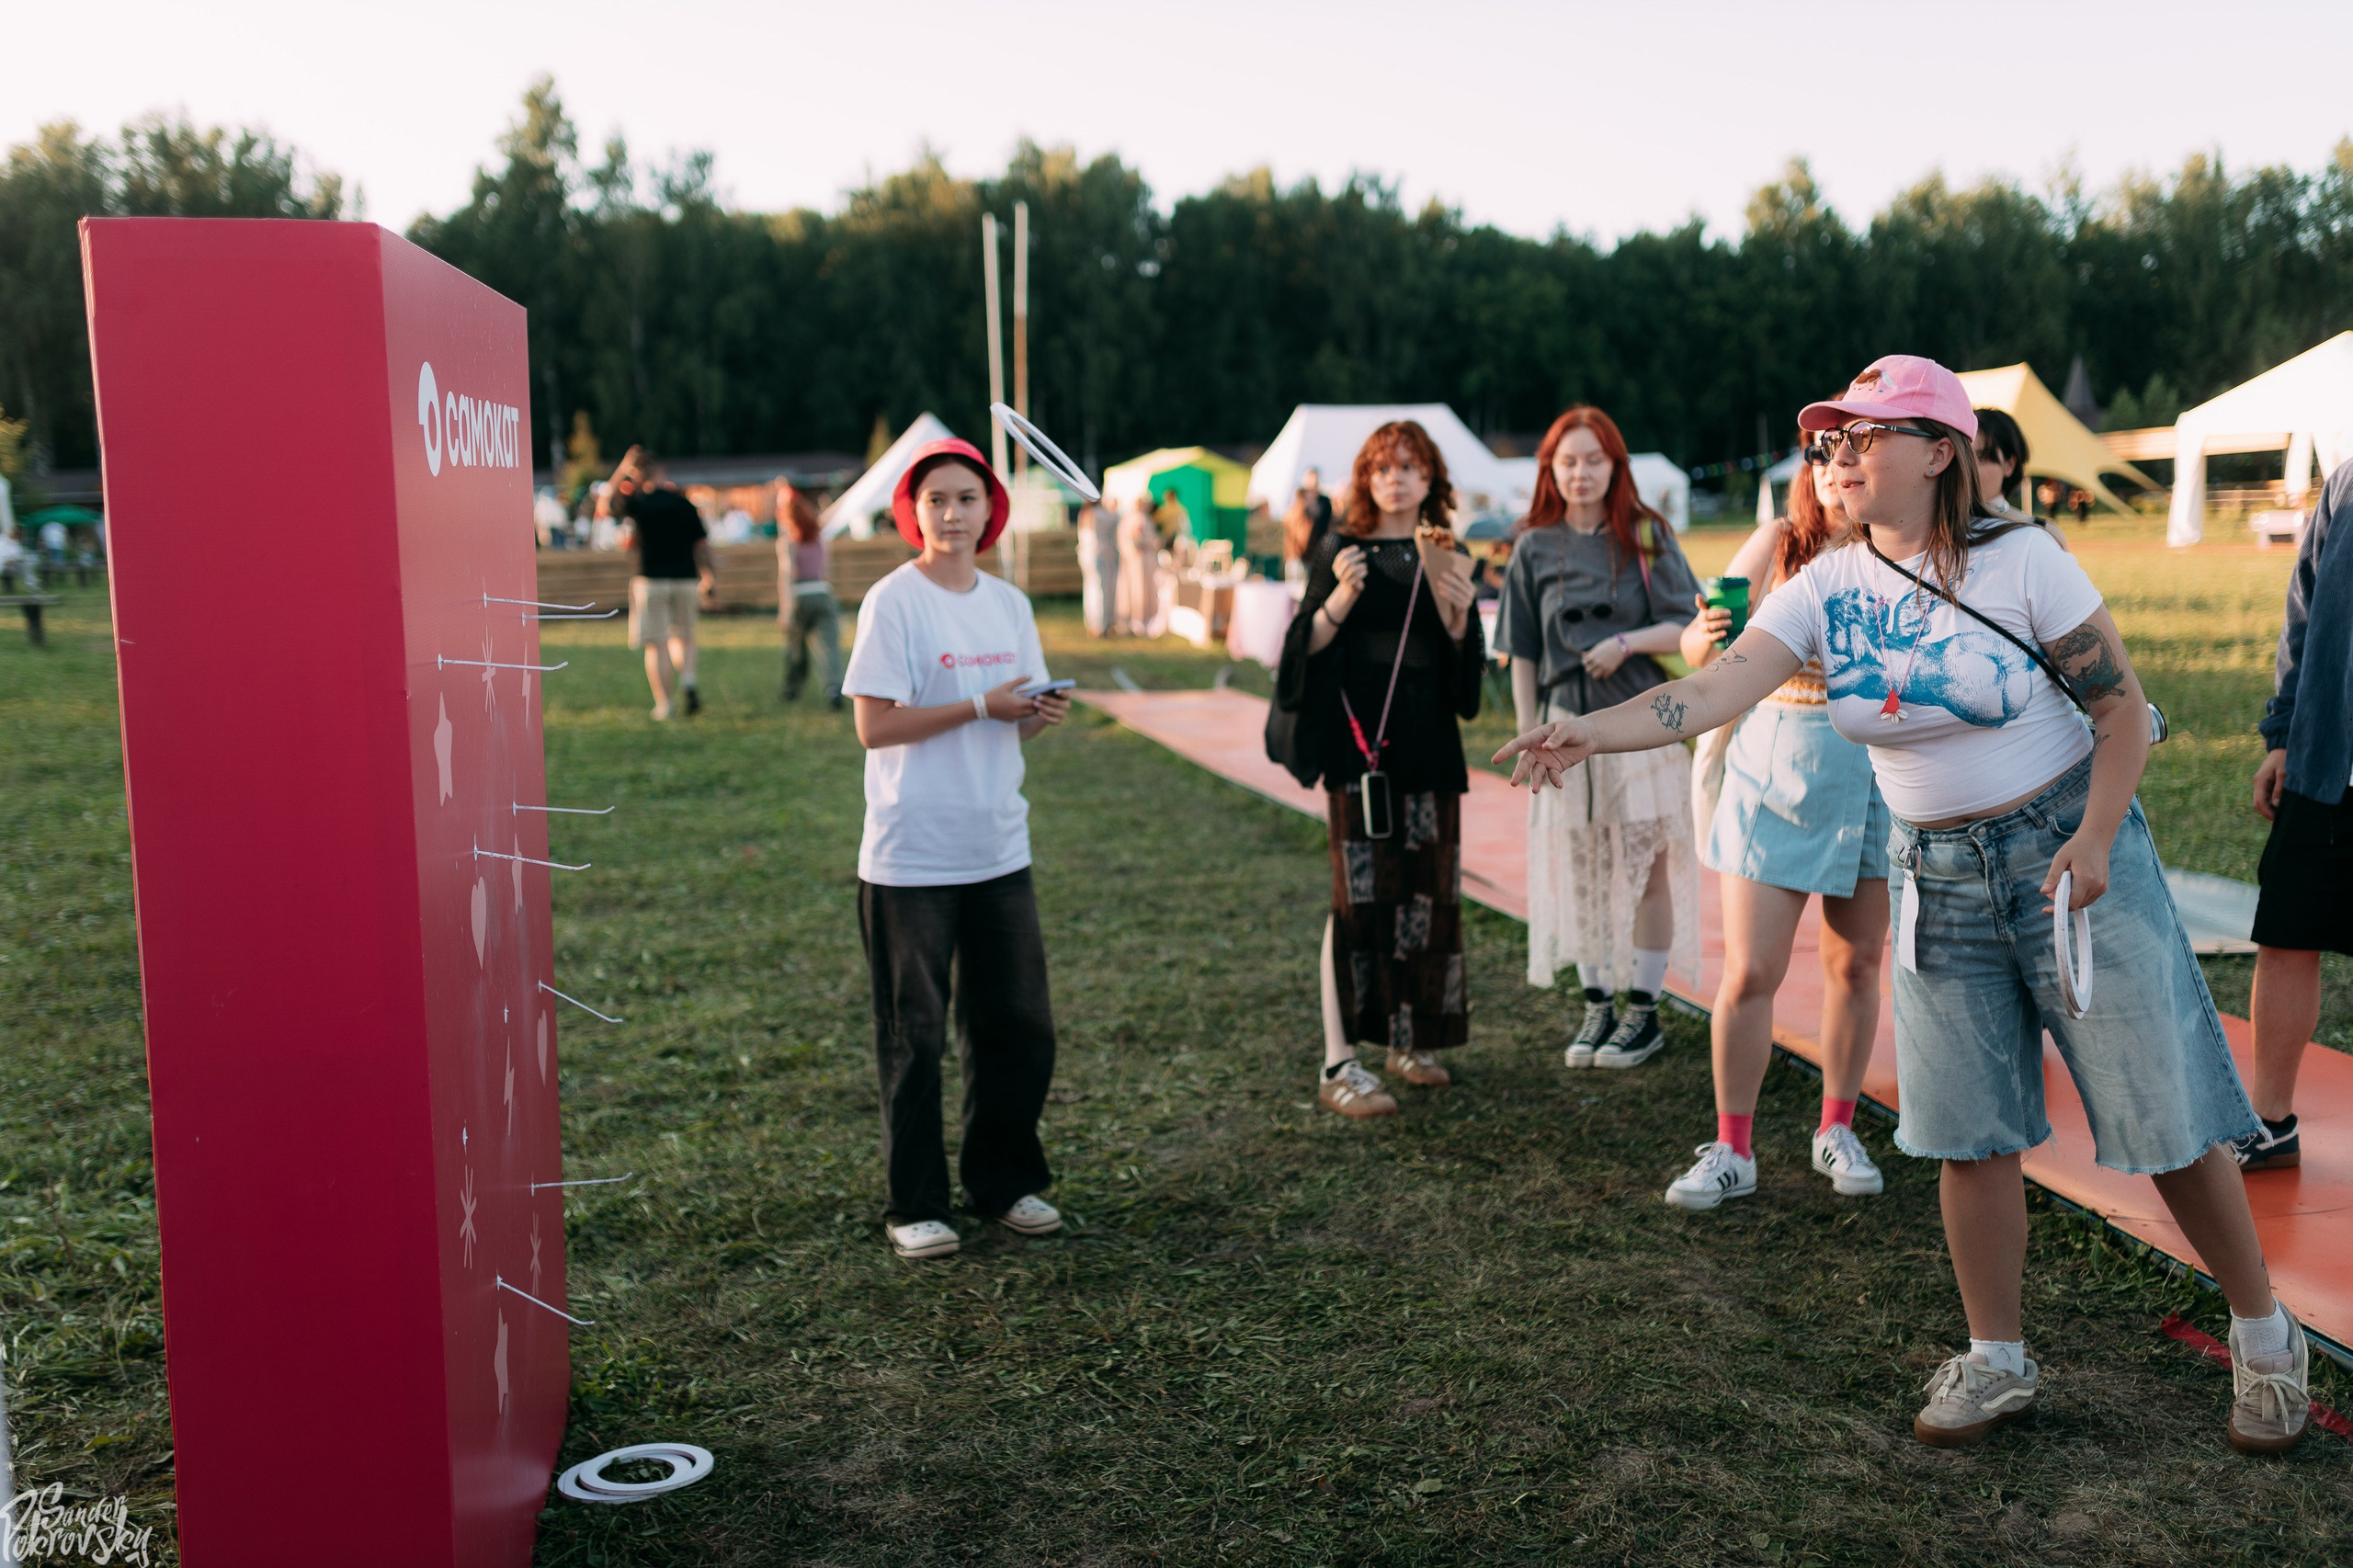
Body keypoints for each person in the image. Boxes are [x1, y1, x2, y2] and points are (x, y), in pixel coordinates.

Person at [1495, 354, 2312, 1455]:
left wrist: (2092, 837)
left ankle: (2265, 1338)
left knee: (2164, 1115)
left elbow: (2116, 713)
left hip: (2064, 850)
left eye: (1863, 434)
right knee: (1967, 1130)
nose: (1837, 452)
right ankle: (1997, 1357)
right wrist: (1589, 728)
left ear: (1939, 452)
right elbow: (1718, 685)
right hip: (1932, 871)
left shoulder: (2023, 558)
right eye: (1830, 438)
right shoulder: (1827, 583)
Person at [842, 437, 1073, 1261]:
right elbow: (873, 727)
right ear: (913, 512)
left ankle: (1003, 1182)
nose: (951, 513)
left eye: (966, 498)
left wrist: (1034, 717)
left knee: (1017, 1023)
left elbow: (1013, 710)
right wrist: (980, 703)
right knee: (916, 1033)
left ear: (991, 510)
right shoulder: (893, 602)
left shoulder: (1009, 605)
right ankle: (915, 1204)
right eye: (936, 499)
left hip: (997, 846)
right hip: (912, 856)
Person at [1666, 435, 1888, 1210]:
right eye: (1822, 457)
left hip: (1873, 785)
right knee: (1751, 973)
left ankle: (1838, 1126)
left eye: (1851, 453)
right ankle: (1732, 1148)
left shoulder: (1897, 547)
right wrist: (1706, 634)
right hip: (1775, 776)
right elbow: (1700, 640)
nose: (1834, 470)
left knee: (1855, 966)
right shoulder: (1779, 542)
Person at [1272, 421, 1481, 1119]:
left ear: (1431, 480)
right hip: (1360, 747)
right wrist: (1338, 598)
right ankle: (1340, 1061)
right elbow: (1302, 648)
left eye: (1410, 467)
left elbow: (1465, 674)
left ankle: (1411, 1041)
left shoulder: (1446, 550)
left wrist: (1457, 619)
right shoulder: (1341, 547)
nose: (1396, 478)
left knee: (1426, 895)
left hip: (1429, 741)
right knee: (1356, 899)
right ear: (1365, 477)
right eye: (1383, 467)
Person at [1495, 406, 1702, 1071]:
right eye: (1567, 461)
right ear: (1550, 470)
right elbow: (1520, 649)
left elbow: (1690, 627)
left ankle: (1643, 1011)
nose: (1580, 473)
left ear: (1615, 464)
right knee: (1581, 867)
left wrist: (1625, 642)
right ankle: (1598, 1005)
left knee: (1645, 872)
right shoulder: (1532, 545)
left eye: (1593, 459)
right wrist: (1529, 735)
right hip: (1563, 733)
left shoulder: (1646, 534)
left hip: (1640, 727)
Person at [2244, 457, 2353, 1170]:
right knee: (2285, 934)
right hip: (2326, 756)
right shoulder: (2348, 478)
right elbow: (2306, 608)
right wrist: (2284, 733)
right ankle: (2269, 1123)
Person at [604, 447, 716, 721]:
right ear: (661, 472)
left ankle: (665, 705)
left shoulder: (639, 503)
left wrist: (623, 467)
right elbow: (701, 544)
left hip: (650, 579)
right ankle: (687, 679)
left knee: (657, 643)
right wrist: (710, 576)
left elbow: (607, 503)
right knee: (686, 637)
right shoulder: (684, 504)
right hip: (686, 578)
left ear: (639, 476)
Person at [777, 481, 843, 709]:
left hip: (799, 596)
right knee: (829, 647)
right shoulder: (820, 540)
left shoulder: (788, 543)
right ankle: (833, 689)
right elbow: (828, 571)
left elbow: (787, 575)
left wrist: (785, 610)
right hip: (823, 593)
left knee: (796, 647)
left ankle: (792, 689)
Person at [1970, 407, 2067, 548]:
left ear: (2009, 464)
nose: (1969, 468)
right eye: (1963, 458)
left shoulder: (2045, 534)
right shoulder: (1935, 531)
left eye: (1982, 457)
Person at [1075, 494, 1121, 637]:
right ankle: (1101, 625)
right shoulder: (1100, 514)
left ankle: (1094, 623)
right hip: (1100, 555)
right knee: (1102, 591)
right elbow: (1117, 519)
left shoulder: (1085, 514)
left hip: (1087, 555)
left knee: (1091, 589)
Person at [1116, 490, 1160, 635]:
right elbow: (1135, 539)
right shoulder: (1138, 519)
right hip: (1139, 560)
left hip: (1138, 559)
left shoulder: (1137, 518)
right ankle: (1138, 620)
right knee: (1138, 589)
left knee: (1141, 589)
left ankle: (1141, 619)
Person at [1283, 467, 1335, 564]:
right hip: (1298, 555)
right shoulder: (1298, 501)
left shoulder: (1324, 502)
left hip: (1319, 553)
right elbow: (1290, 523)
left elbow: (1328, 523)